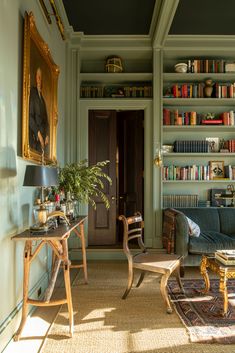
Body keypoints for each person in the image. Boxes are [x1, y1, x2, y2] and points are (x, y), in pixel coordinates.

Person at [29, 67, 49, 154]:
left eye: (41, 77)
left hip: (43, 140)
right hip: (35, 138)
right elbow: (29, 117)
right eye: (38, 76)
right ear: (35, 78)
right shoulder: (32, 93)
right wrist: (39, 134)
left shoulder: (43, 99)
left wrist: (47, 135)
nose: (39, 79)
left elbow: (46, 121)